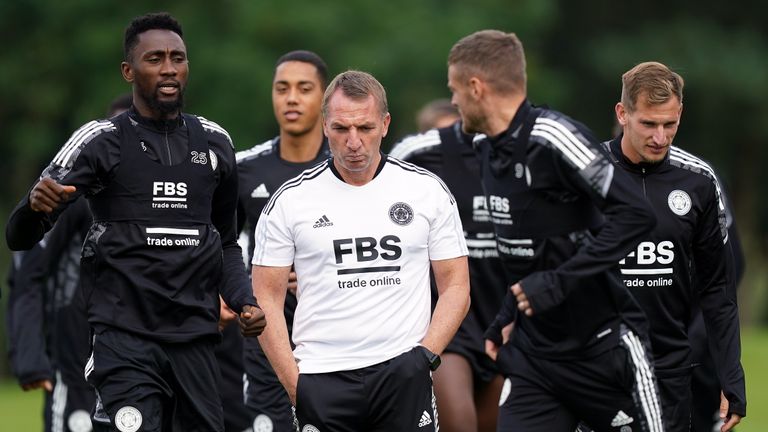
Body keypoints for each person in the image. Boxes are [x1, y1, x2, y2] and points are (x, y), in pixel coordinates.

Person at [4, 12, 266, 432]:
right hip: (125, 343)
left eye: (177, 58)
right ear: (129, 70)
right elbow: (19, 237)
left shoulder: (215, 143)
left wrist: (243, 299)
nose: (168, 69)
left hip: (196, 342)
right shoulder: (99, 141)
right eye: (155, 58)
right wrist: (34, 207)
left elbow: (226, 243)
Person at [447, 30, 664, 431]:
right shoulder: (485, 149)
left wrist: (559, 283)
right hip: (535, 359)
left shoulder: (553, 137)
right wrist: (508, 311)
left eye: (455, 89)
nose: (454, 100)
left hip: (601, 348)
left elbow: (636, 214)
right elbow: (536, 247)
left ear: (475, 87)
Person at [252, 70, 470, 431]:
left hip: (402, 372)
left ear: (385, 124)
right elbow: (265, 298)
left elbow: (457, 287)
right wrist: (296, 385)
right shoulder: (291, 200)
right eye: (341, 128)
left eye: (365, 128)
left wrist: (424, 357)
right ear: (324, 126)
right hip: (321, 376)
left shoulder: (426, 191)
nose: (353, 141)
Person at [606, 61, 746, 431]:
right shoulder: (584, 172)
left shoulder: (698, 180)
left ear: (680, 114)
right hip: (595, 367)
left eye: (670, 124)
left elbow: (718, 289)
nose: (660, 137)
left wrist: (730, 376)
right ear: (623, 113)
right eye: (649, 124)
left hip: (668, 369)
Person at [5, 95, 131, 432]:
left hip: (143, 360)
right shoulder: (72, 197)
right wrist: (30, 356)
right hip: (74, 362)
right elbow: (28, 275)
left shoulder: (167, 198)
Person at [389, 102, 506, 432]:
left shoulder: (515, 157)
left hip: (505, 318)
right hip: (449, 319)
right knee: (459, 423)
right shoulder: (420, 159)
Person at [233, 49, 331, 432]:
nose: (291, 98)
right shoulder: (244, 169)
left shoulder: (349, 168)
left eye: (304, 89)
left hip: (333, 334)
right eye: (282, 88)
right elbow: (221, 245)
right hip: (264, 335)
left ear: (324, 99)